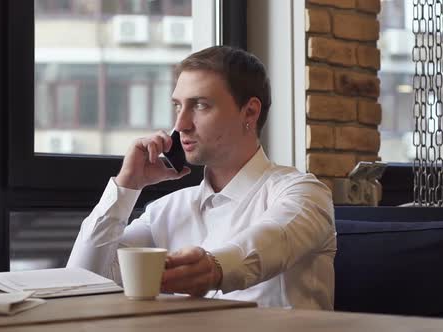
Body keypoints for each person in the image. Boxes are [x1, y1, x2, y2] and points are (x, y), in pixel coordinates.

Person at [67, 45, 336, 310]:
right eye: (178, 106)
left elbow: (274, 240)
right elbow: (81, 283)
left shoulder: (304, 193)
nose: (181, 124)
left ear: (250, 112)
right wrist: (126, 187)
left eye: (200, 105)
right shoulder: (166, 210)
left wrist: (213, 268)